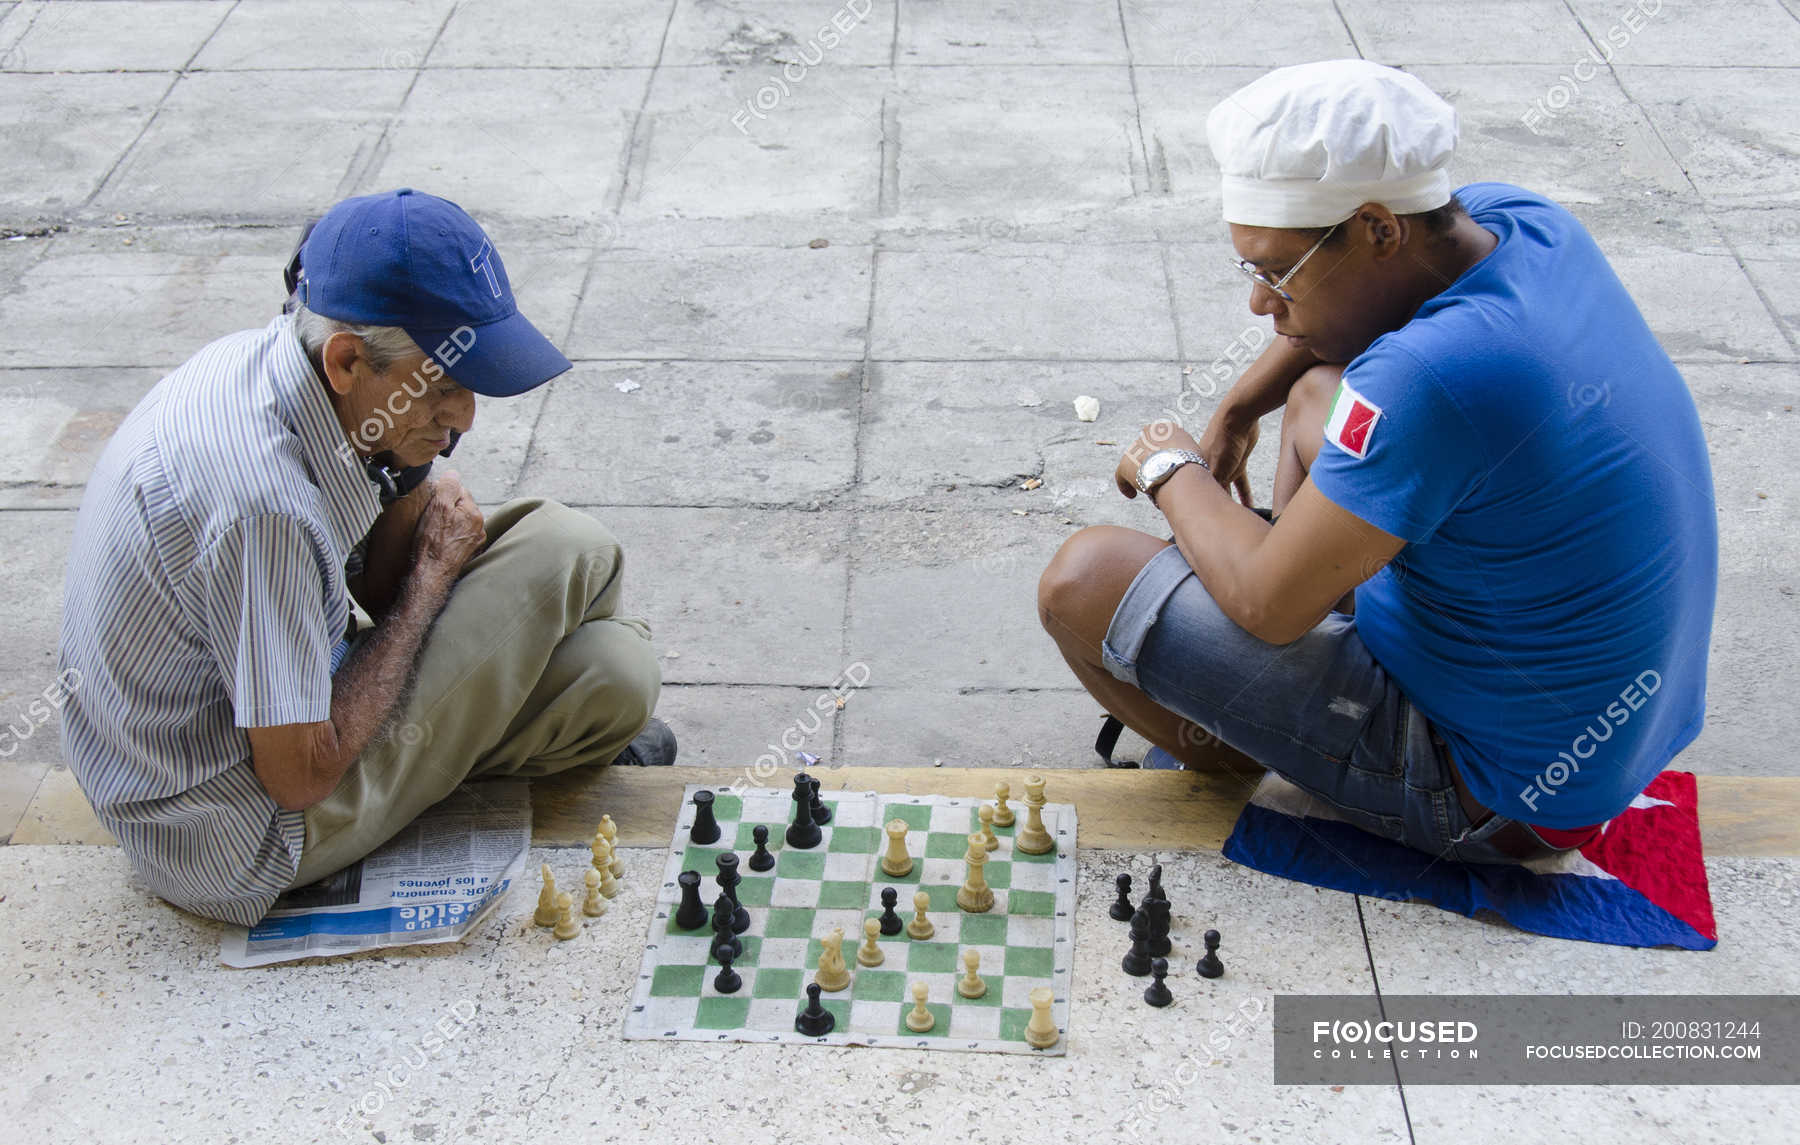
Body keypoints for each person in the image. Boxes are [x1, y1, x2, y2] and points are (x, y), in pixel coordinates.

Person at [1037, 60, 1716, 863]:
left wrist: (1169, 465)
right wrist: (1234, 409)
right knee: (1318, 394)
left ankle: (1242, 740)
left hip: (1496, 797)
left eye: (1275, 272)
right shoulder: (1523, 223)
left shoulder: (1430, 378)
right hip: (1601, 739)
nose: (1259, 302)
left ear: (1379, 229)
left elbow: (1263, 604)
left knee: (1082, 579)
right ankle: (1310, 627)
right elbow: (1334, 354)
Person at [57, 189, 672, 926]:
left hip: (210, 741)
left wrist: (413, 454)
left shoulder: (274, 361)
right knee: (580, 569)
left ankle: (483, 731)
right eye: (443, 386)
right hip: (237, 830)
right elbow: (298, 773)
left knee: (610, 667)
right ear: (348, 360)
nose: (466, 416)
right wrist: (428, 586)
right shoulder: (264, 507)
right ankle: (475, 748)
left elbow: (370, 579)